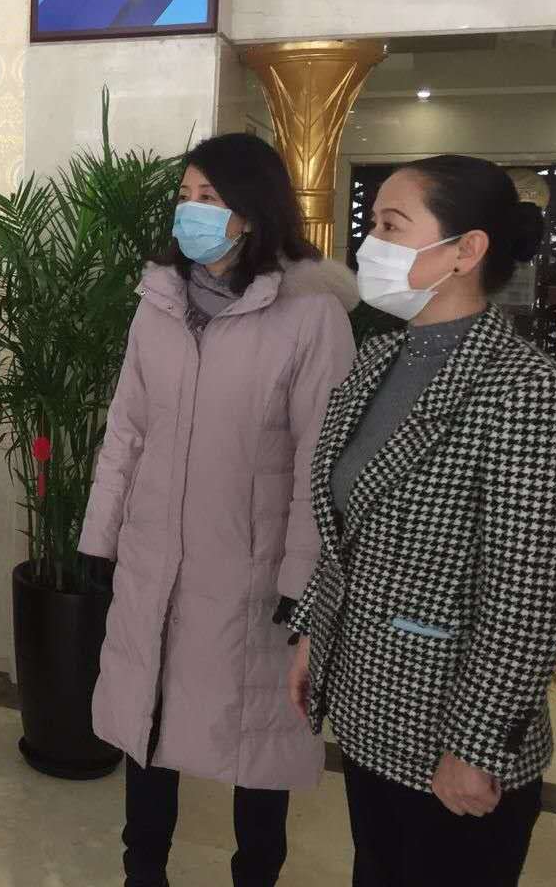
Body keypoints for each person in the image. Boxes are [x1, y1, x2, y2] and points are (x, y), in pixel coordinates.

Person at [286, 156, 556, 887]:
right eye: (372, 225)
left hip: (451, 729)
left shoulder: (528, 390)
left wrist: (477, 745)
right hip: (369, 708)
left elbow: (531, 595)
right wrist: (312, 636)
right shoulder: (376, 361)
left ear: (466, 250)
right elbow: (346, 528)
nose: (369, 245)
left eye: (392, 227)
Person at [78, 133, 359, 887]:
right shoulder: (159, 303)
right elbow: (127, 429)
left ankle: (255, 873)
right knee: (146, 718)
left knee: (256, 738)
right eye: (185, 195)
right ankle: (143, 870)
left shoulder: (311, 315)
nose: (190, 211)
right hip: (153, 559)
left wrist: (302, 580)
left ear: (253, 210)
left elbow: (321, 461)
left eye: (210, 197)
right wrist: (100, 538)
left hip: (252, 575)